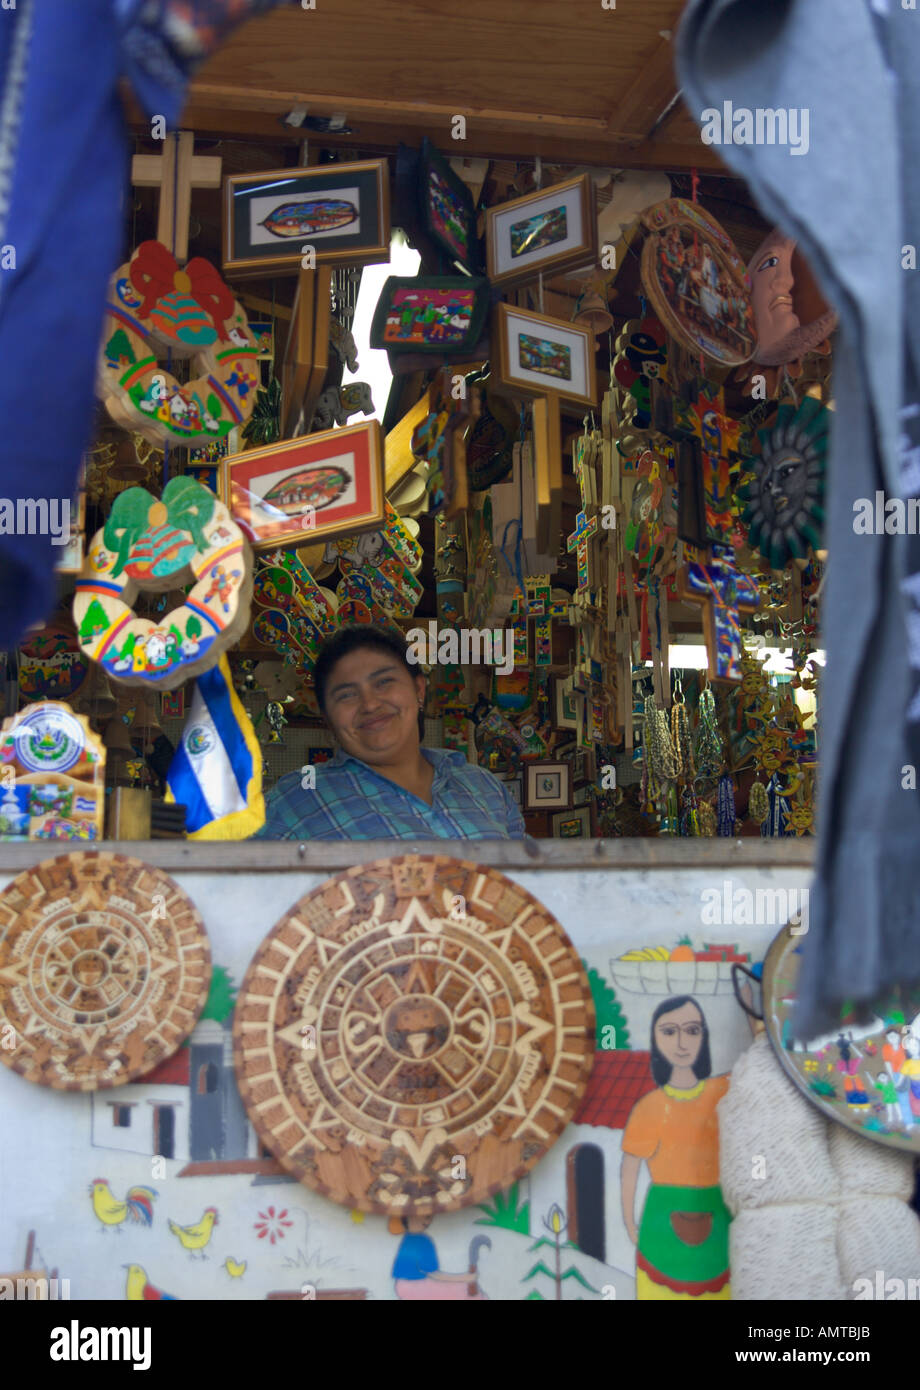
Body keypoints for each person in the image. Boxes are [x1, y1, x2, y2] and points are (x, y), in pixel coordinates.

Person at [253, 625, 526, 840]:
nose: (370, 704)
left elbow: (529, 892)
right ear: (327, 717)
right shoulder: (293, 803)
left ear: (419, 690)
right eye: (346, 694)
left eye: (384, 682)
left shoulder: (483, 787)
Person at [620, 995, 731, 1300]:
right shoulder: (649, 1107)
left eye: (692, 1030)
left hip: (718, 1213)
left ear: (704, 1037)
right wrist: (630, 1223)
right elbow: (630, 1167)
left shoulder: (724, 1091)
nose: (682, 1043)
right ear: (655, 1039)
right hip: (661, 1220)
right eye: (669, 1032)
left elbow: (759, 1065)